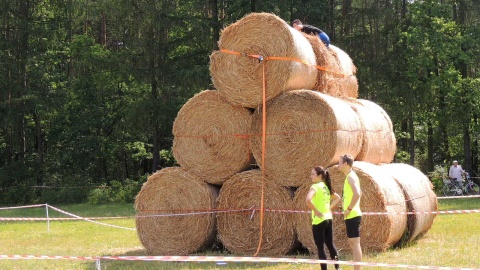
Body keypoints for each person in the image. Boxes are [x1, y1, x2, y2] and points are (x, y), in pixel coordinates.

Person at [305, 166, 342, 270]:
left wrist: (316, 211)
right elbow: (338, 198)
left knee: (320, 247)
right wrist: (328, 208)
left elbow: (308, 200)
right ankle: (337, 267)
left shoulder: (315, 187)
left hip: (319, 220)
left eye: (313, 174)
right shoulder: (326, 187)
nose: (310, 176)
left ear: (320, 176)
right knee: (330, 244)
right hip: (328, 218)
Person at [338, 154, 362, 270]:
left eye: (339, 163)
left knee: (355, 244)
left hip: (352, 214)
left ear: (345, 164)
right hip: (351, 215)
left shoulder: (350, 177)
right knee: (353, 243)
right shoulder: (350, 176)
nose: (338, 165)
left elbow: (357, 194)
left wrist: (349, 209)